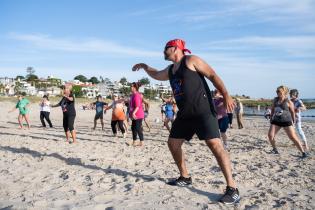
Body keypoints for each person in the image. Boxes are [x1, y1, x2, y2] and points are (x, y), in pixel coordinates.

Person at [132, 38, 239, 204]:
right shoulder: (170, 70)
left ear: (175, 48)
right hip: (184, 114)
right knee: (173, 143)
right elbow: (156, 74)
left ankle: (232, 188)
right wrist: (145, 67)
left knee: (215, 145)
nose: (163, 51)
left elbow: (212, 75)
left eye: (166, 48)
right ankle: (185, 176)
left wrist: (225, 94)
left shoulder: (191, 60)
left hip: (203, 111)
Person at [268, 86, 307, 157]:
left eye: (279, 91)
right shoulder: (275, 100)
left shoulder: (289, 102)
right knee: (270, 135)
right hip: (276, 121)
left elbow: (292, 112)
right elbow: (273, 109)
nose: (278, 93)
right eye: (277, 91)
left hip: (287, 121)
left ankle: (303, 152)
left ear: (284, 92)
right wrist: (271, 118)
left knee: (292, 137)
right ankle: (275, 149)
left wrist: (293, 122)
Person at [129, 82, 145, 146]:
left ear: (135, 88)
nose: (131, 87)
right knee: (133, 128)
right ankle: (134, 141)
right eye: (131, 86)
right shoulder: (133, 95)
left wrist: (133, 113)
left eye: (132, 86)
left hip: (138, 114)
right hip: (135, 114)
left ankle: (142, 142)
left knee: (138, 128)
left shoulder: (136, 95)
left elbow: (138, 106)